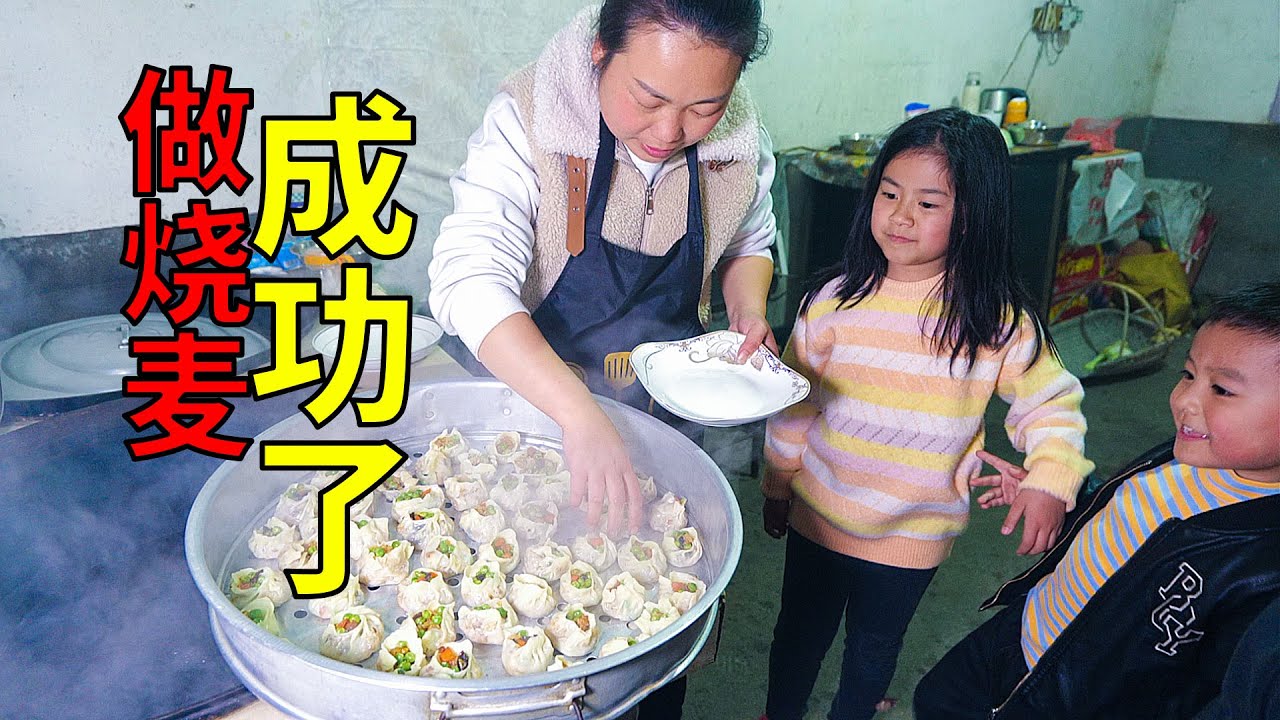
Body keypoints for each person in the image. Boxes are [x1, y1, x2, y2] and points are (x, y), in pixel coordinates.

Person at [757, 107, 1095, 720]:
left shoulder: (993, 319)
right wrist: (778, 486)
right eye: (889, 193)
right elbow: (794, 406)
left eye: (929, 203)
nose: (901, 215)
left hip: (911, 536)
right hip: (819, 516)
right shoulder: (833, 302)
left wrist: (1050, 478)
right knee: (797, 637)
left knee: (871, 652)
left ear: (973, 216)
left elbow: (1051, 403)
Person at [427, 0, 777, 539]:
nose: (670, 130)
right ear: (600, 52)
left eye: (706, 106)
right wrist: (580, 414)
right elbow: (470, 281)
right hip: (534, 400)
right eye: (649, 98)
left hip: (661, 406)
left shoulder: (737, 146)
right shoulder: (534, 120)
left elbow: (748, 243)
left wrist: (747, 309)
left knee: (659, 537)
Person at [914, 282, 1280, 719]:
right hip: (1022, 630)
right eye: (1188, 374)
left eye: (1221, 390)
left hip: (1079, 702)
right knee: (935, 699)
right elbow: (1125, 524)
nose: (1184, 400)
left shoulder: (1264, 571)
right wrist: (1064, 501)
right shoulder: (1184, 455)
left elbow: (1209, 694)